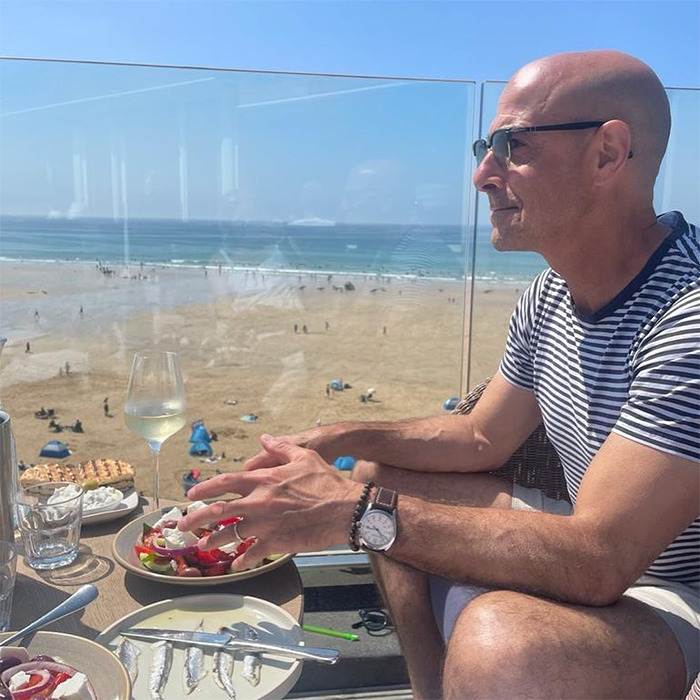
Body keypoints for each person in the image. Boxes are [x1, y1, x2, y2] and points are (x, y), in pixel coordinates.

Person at [178, 50, 699, 698]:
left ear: (607, 153)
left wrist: (352, 513)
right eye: (487, 146)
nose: (483, 174)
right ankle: (430, 686)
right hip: (587, 527)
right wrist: (339, 439)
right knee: (376, 474)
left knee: (498, 645)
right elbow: (481, 437)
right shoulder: (551, 294)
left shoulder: (688, 319)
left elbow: (599, 560)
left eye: (511, 145)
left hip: (672, 589)